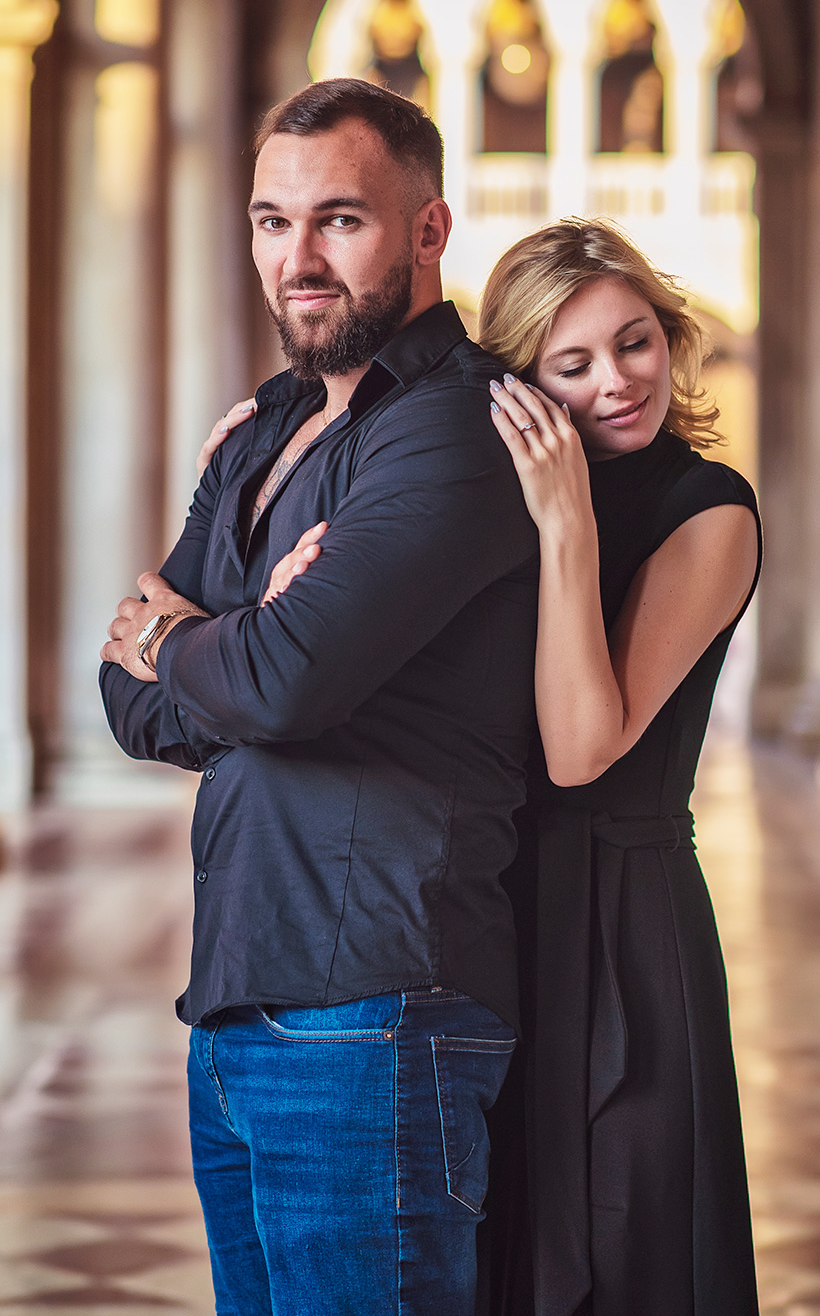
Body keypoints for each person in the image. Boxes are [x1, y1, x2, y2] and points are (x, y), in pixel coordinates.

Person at [253, 218, 762, 1314]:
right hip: (479, 904)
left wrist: (566, 525)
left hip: (617, 926)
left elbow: (582, 751)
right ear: (518, 388)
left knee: (611, 1256)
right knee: (478, 1255)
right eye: (570, 366)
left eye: (635, 343)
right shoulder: (490, 499)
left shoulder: (706, 512)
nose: (618, 383)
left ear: (670, 336)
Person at [98, 78, 539, 1316]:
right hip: (241, 1003)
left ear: (428, 231)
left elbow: (279, 686)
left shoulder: (453, 429)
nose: (298, 258)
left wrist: (202, 640)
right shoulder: (267, 428)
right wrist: (225, 639)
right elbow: (128, 702)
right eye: (270, 221)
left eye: (339, 220)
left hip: (375, 1011)